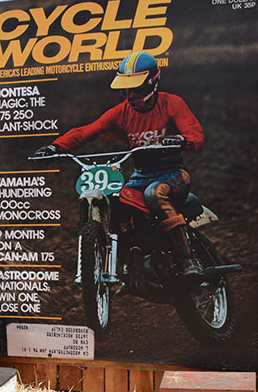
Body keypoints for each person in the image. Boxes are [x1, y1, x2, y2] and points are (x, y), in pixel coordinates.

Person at [33, 51, 205, 276]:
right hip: (141, 174)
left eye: (136, 89)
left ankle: (189, 261)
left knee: (155, 193)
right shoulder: (121, 112)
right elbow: (86, 131)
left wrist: (182, 140)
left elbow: (196, 137)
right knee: (117, 204)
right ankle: (130, 267)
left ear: (152, 83)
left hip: (173, 173)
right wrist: (55, 147)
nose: (130, 95)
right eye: (126, 89)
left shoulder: (172, 103)